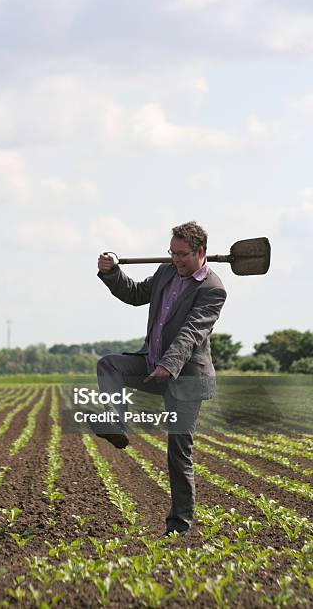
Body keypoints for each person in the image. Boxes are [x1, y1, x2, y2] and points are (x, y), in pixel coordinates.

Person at [92, 221, 227, 536]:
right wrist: (112, 273)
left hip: (187, 378)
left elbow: (192, 331)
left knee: (179, 451)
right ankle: (115, 423)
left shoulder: (212, 289)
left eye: (182, 255)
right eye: (172, 253)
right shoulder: (167, 272)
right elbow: (137, 293)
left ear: (201, 252)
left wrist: (169, 364)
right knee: (109, 365)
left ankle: (178, 526)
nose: (176, 260)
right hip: (151, 364)